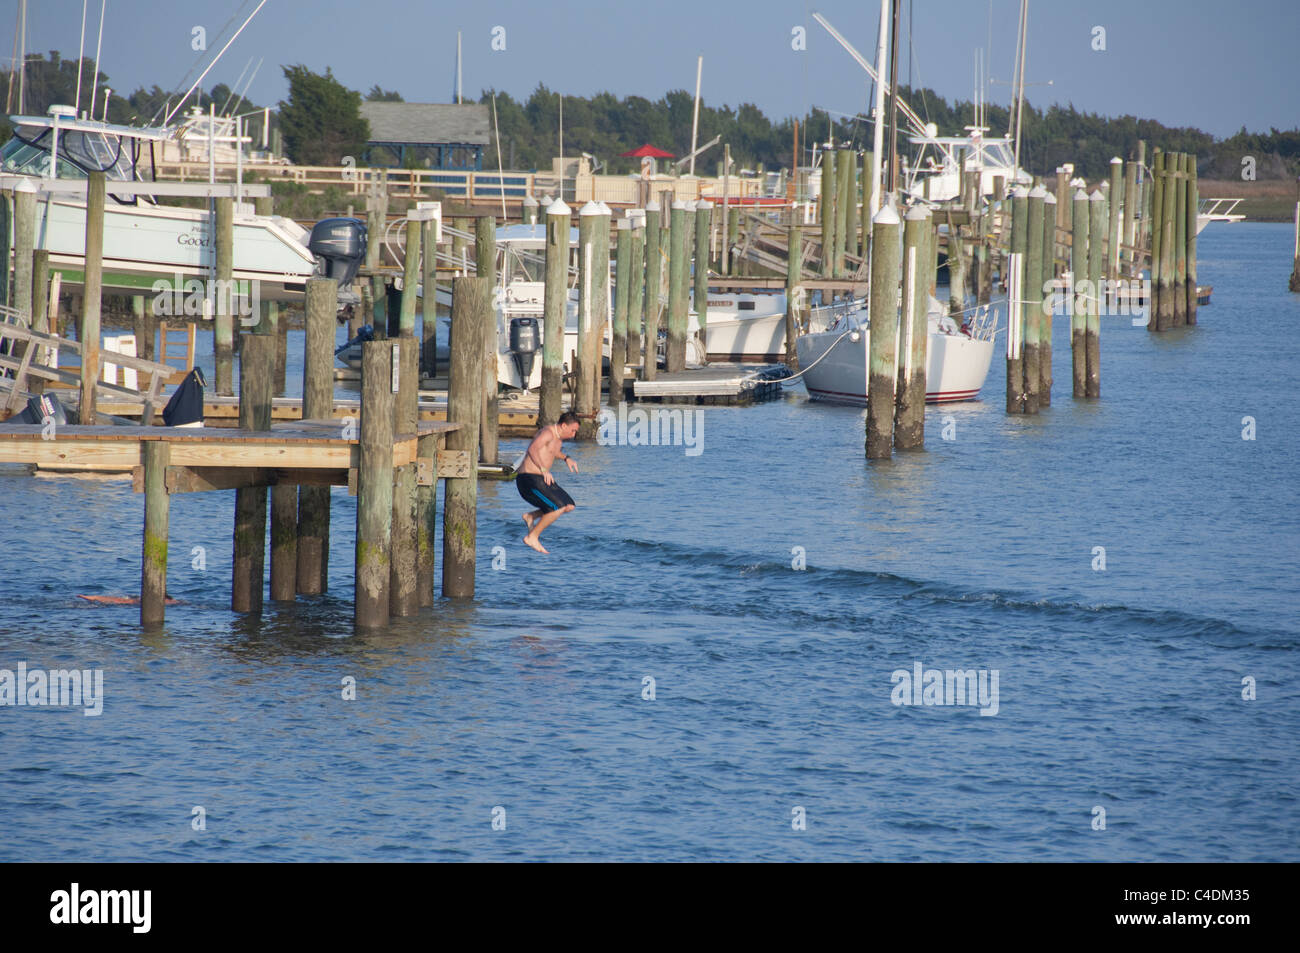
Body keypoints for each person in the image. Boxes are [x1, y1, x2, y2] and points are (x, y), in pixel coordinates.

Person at [516, 411, 580, 553]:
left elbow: (552, 451)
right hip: (528, 479)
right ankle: (532, 537)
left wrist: (566, 458)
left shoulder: (557, 439)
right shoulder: (548, 433)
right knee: (557, 507)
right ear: (564, 425)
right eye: (573, 430)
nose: (574, 434)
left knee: (569, 506)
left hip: (540, 479)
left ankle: (531, 516)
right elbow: (532, 449)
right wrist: (544, 469)